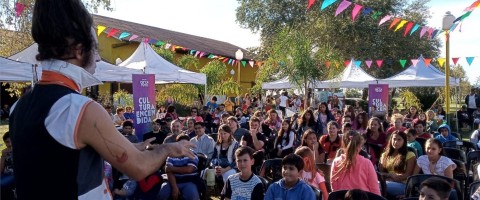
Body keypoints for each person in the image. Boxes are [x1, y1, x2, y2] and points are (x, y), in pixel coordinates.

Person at [8, 1, 196, 199]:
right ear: (79, 50)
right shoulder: (80, 108)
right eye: (95, 48)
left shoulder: (18, 106)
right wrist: (167, 148)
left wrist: (131, 147)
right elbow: (138, 168)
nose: (98, 58)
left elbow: (55, 157)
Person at [159, 134, 201, 200]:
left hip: (189, 181)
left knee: (192, 196)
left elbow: (189, 170)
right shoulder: (171, 155)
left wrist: (171, 169)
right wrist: (174, 187)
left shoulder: (192, 154)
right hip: (172, 181)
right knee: (162, 193)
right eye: (181, 143)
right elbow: (168, 172)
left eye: (185, 143)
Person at [379, 131, 416, 199]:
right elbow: (381, 172)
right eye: (394, 139)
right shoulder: (384, 155)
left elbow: (408, 175)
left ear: (404, 141)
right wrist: (389, 175)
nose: (396, 142)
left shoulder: (410, 155)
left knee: (378, 185)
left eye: (399, 139)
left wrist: (394, 179)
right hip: (386, 181)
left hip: (402, 184)